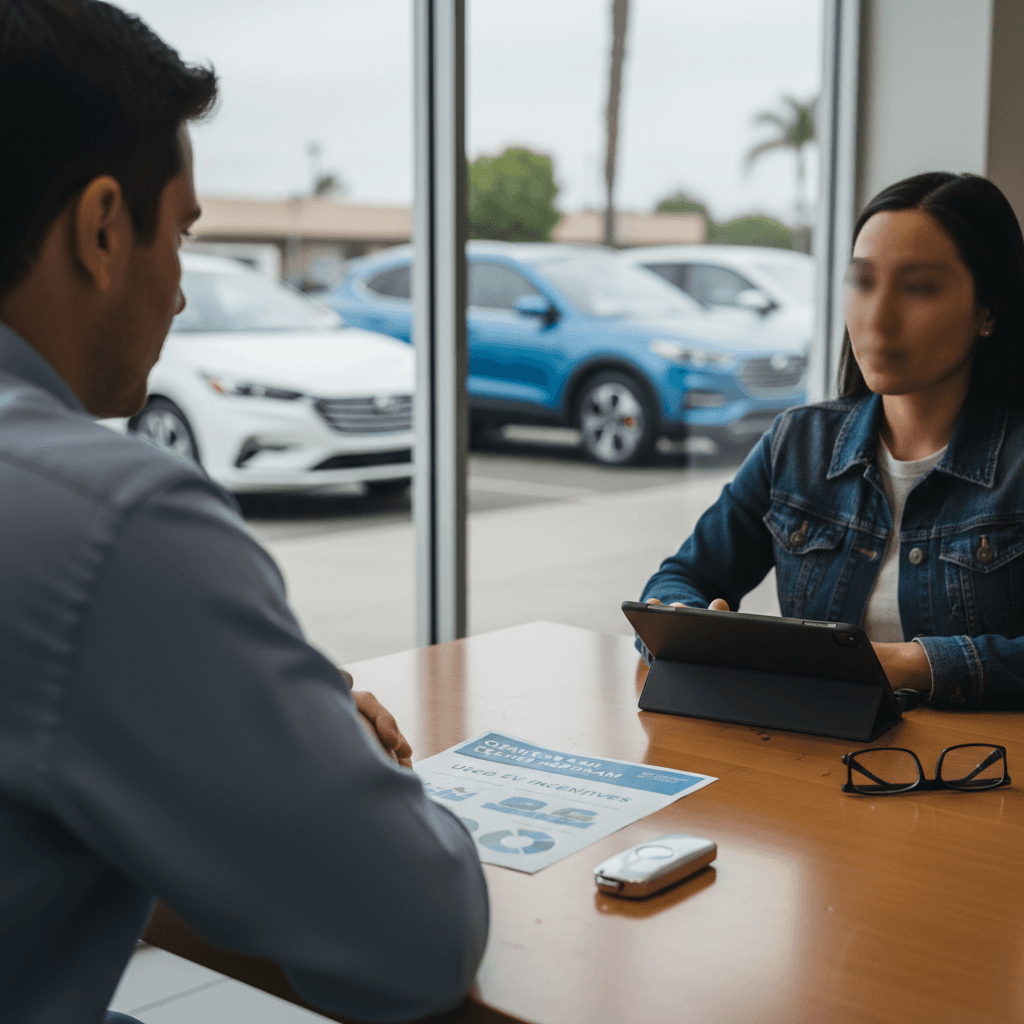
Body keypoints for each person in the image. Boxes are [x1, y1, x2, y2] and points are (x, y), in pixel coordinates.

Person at [0, 3, 488, 1023]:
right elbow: (416, 935)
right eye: (177, 232)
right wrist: (315, 737)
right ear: (101, 227)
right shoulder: (108, 520)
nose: (179, 287)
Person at [639, 171, 1024, 710]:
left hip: (978, 776)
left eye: (918, 288)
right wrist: (685, 626)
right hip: (815, 763)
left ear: (990, 310)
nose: (877, 319)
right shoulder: (798, 443)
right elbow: (681, 578)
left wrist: (914, 663)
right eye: (863, 282)